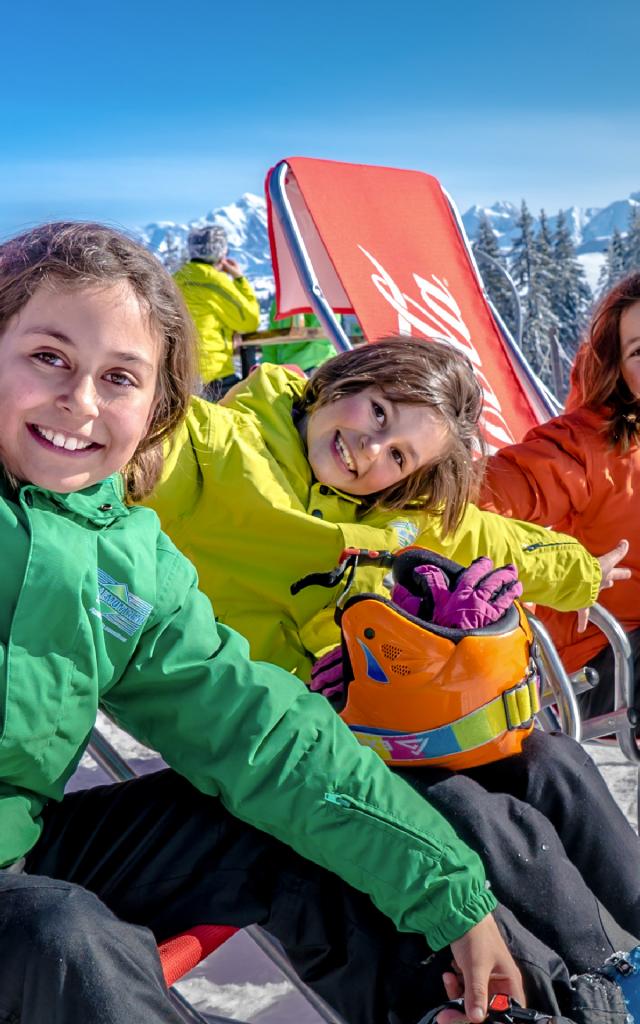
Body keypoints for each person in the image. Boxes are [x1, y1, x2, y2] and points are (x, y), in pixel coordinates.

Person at [0, 218, 577, 1024]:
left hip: (19, 844)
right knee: (61, 938)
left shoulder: (124, 551)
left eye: (121, 378)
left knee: (307, 823)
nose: (81, 402)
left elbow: (255, 729)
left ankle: (519, 1009)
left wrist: (455, 899)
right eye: (49, 358)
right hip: (26, 911)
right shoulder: (231, 449)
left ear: (155, 401)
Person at [144, 342, 639, 978]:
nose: (371, 450)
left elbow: (494, 540)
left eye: (399, 454)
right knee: (469, 809)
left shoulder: (393, 510)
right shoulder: (215, 449)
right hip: (274, 731)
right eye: (377, 412)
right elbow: (129, 429)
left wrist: (581, 572)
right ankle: (595, 980)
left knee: (550, 762)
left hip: (371, 719)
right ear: (342, 380)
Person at [479, 272, 640, 721]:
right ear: (619, 370)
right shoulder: (585, 448)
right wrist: (564, 569)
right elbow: (476, 500)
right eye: (639, 351)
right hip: (604, 658)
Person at [174, 223, 260, 400]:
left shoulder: (176, 279)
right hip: (213, 373)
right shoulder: (214, 282)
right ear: (221, 253)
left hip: (180, 372)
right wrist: (239, 278)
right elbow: (249, 320)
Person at [260, 298, 339, 373]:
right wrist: (269, 368)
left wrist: (292, 366)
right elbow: (271, 341)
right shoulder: (281, 298)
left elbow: (324, 339)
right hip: (285, 369)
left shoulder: (320, 294)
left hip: (315, 365)